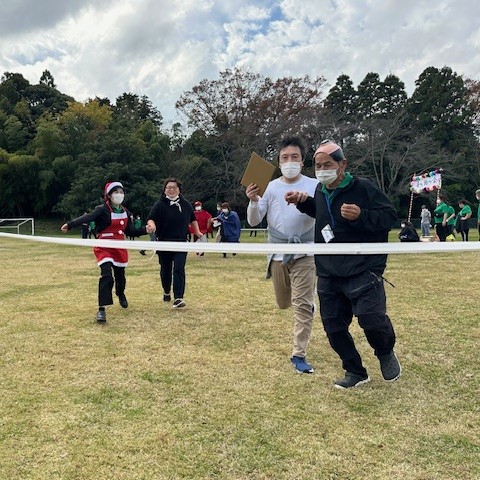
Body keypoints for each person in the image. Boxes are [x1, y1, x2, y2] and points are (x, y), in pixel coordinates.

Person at [285, 139, 400, 389]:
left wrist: (362, 216)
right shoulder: (319, 190)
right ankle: (355, 371)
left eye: (328, 164)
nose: (322, 169)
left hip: (363, 268)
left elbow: (390, 217)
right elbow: (323, 213)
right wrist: (302, 202)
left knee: (372, 320)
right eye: (318, 165)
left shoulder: (363, 188)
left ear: (342, 164)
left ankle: (385, 351)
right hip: (328, 271)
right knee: (334, 328)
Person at [246, 136, 319, 374]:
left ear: (302, 160)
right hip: (278, 254)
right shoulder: (270, 187)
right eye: (285, 158)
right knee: (283, 302)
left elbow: (322, 214)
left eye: (294, 157)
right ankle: (308, 305)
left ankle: (299, 355)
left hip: (306, 253)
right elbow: (254, 221)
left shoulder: (314, 184)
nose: (290, 161)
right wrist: (254, 201)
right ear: (278, 161)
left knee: (300, 305)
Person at [61, 182, 147, 323]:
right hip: (104, 246)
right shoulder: (102, 209)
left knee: (120, 276)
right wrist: (70, 224)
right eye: (116, 192)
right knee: (106, 275)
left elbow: (130, 231)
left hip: (119, 247)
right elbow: (88, 217)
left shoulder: (126, 212)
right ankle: (101, 309)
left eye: (121, 192)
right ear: (109, 195)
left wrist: (145, 230)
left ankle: (120, 293)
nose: (119, 194)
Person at [146, 178, 204, 308]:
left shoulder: (186, 204)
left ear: (179, 189)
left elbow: (192, 219)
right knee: (165, 270)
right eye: (168, 187)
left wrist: (198, 232)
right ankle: (166, 291)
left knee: (179, 268)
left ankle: (178, 297)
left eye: (174, 187)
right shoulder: (159, 204)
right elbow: (151, 218)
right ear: (164, 190)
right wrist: (151, 225)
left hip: (181, 242)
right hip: (163, 242)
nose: (171, 190)